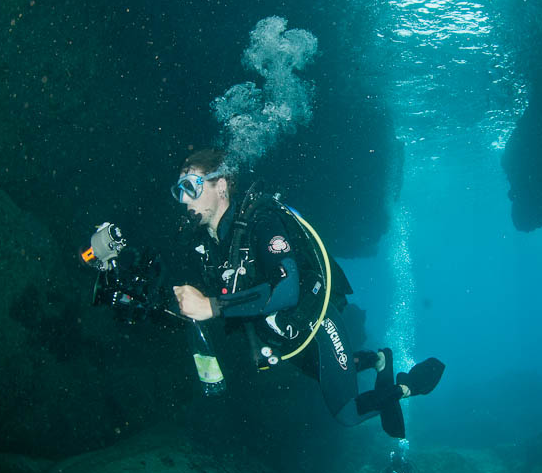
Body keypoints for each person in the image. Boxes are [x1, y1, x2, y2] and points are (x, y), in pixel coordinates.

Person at [169, 148, 444, 438]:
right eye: (179, 190)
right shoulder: (209, 245)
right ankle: (379, 360)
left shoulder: (263, 222)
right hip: (286, 335)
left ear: (221, 186)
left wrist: (213, 305)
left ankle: (408, 387)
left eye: (191, 187)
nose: (184, 199)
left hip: (316, 318)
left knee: (347, 413)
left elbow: (285, 291)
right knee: (332, 371)